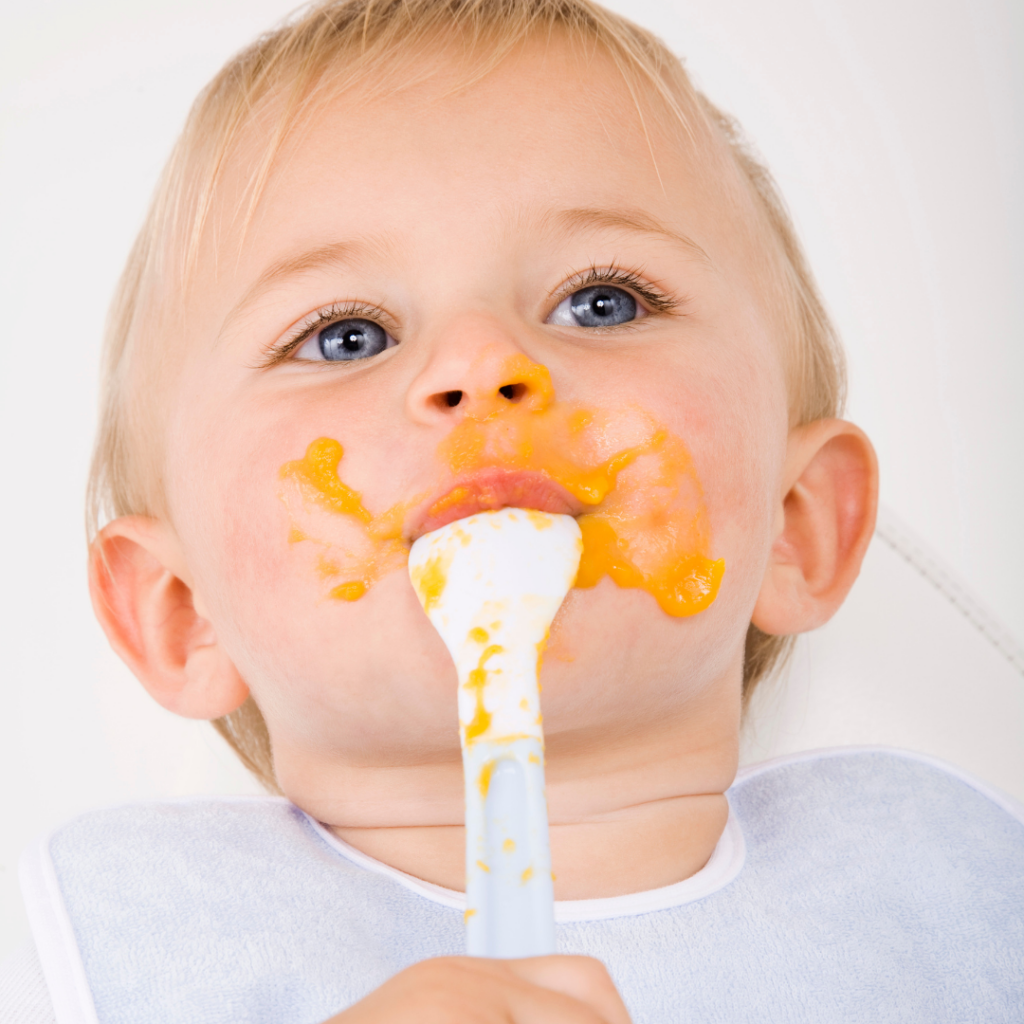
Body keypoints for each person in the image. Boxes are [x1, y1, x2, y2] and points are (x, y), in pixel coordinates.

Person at [5, 0, 1022, 1021]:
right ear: (183, 610)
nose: (482, 364)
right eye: (347, 335)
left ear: (797, 523)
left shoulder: (955, 891)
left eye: (602, 302)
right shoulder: (78, 947)